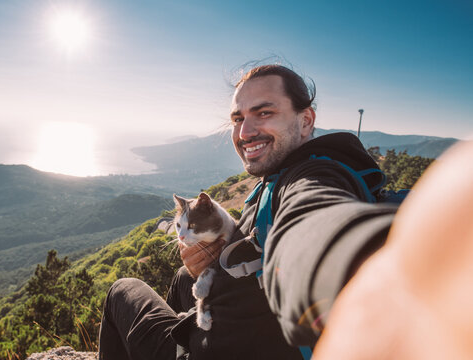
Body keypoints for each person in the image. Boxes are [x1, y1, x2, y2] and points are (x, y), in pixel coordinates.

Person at [98, 64, 472, 359]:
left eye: (264, 112)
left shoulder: (311, 177)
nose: (245, 131)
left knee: (121, 290)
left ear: (306, 120)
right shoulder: (277, 177)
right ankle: (186, 334)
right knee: (183, 277)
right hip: (248, 328)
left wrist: (396, 284)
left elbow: (312, 228)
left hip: (227, 349)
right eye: (238, 118)